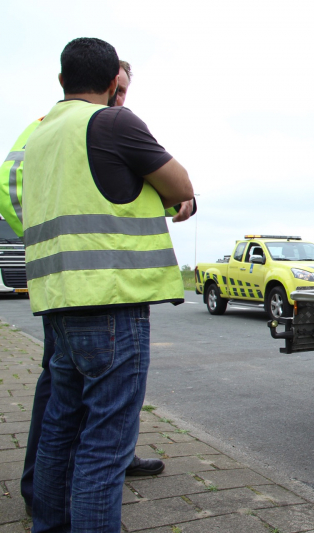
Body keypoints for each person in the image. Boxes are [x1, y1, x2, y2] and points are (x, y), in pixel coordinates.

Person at [1, 59, 193, 517]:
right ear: (111, 84)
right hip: (111, 296)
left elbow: (74, 199)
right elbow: (181, 183)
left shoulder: (40, 133)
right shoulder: (113, 123)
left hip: (57, 295)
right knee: (103, 448)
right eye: (119, 88)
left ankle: (47, 521)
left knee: (59, 429)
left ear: (63, 81)